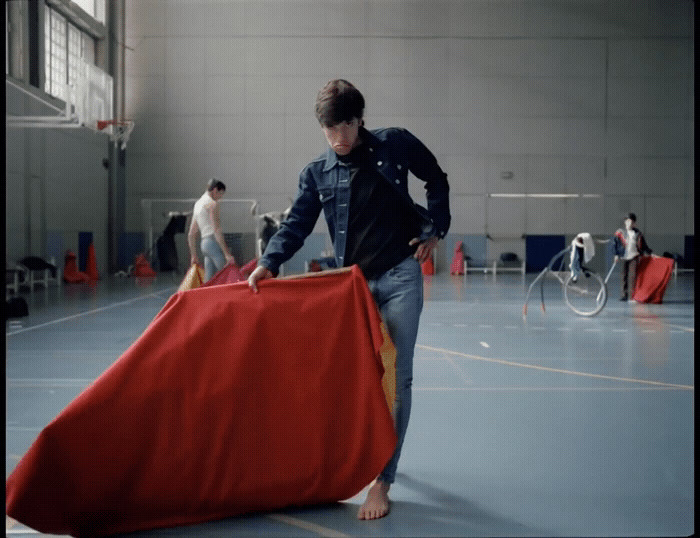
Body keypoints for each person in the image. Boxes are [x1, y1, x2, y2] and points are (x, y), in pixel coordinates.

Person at [247, 79, 450, 520]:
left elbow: (435, 176)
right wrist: (270, 262)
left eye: (347, 125)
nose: (340, 137)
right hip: (352, 287)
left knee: (397, 379)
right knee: (357, 377)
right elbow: (296, 224)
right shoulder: (317, 172)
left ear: (361, 120)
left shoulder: (393, 145)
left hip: (400, 277)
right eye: (330, 128)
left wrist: (436, 227)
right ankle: (363, 454)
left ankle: (383, 479)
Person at [188, 178, 235, 281]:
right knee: (227, 275)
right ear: (215, 190)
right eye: (220, 194)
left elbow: (191, 233)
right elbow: (216, 229)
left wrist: (193, 255)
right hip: (213, 243)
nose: (220, 197)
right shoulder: (212, 204)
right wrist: (227, 254)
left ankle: (205, 296)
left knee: (209, 279)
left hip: (204, 245)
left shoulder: (198, 204)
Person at [613, 212, 653, 301]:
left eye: (631, 221)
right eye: (627, 221)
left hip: (634, 257)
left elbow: (643, 245)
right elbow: (615, 244)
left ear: (634, 223)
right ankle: (624, 295)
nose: (629, 223)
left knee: (633, 276)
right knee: (624, 276)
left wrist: (649, 252)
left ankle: (632, 295)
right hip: (624, 257)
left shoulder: (637, 233)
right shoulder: (620, 232)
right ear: (625, 222)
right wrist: (616, 255)